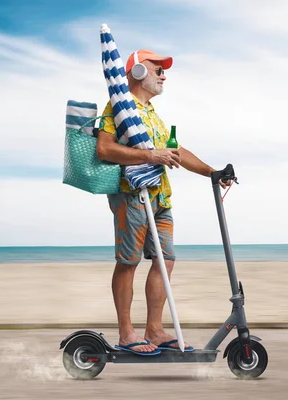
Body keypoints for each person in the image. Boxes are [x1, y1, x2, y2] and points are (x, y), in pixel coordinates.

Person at [96, 49, 230, 355]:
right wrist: (150, 156)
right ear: (138, 72)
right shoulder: (117, 107)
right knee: (128, 263)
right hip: (131, 197)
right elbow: (105, 150)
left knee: (165, 259)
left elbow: (176, 151)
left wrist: (212, 172)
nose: (163, 75)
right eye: (157, 69)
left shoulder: (153, 114)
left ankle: (154, 330)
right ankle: (126, 333)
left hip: (160, 198)